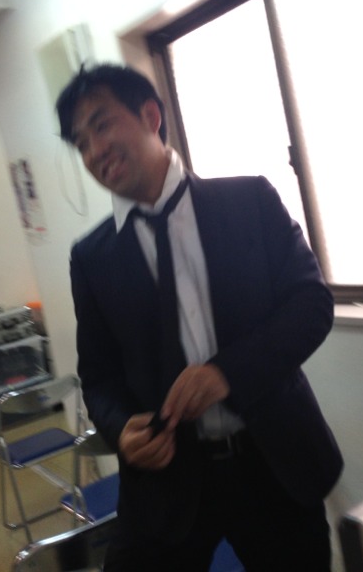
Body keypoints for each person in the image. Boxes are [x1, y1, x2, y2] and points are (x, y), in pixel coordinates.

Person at [57, 64, 343, 571]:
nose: (94, 151)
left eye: (102, 125)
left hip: (273, 462)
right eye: (81, 143)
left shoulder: (249, 201)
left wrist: (225, 374)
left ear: (150, 115)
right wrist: (121, 430)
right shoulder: (92, 257)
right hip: (166, 479)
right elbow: (98, 377)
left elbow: (310, 305)